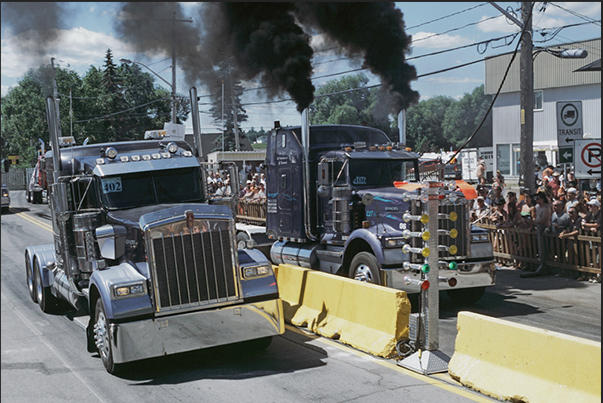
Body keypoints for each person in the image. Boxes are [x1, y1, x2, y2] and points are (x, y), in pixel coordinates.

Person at [521, 191, 552, 278]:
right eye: (535, 198)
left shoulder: (546, 208)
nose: (536, 200)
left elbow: (543, 220)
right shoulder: (537, 207)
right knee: (538, 248)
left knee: (545, 249)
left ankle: (546, 266)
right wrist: (532, 224)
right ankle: (538, 264)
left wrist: (533, 222)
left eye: (538, 198)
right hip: (537, 228)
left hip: (544, 229)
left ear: (542, 199)